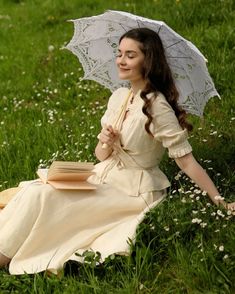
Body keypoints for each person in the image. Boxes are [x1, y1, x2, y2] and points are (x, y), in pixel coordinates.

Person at [0, 27, 234, 275]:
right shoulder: (120, 96)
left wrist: (220, 202)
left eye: (130, 55)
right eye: (119, 53)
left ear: (149, 60)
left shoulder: (157, 106)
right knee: (36, 190)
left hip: (131, 189)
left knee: (44, 198)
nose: (121, 60)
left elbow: (186, 161)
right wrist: (106, 141)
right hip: (103, 175)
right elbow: (100, 156)